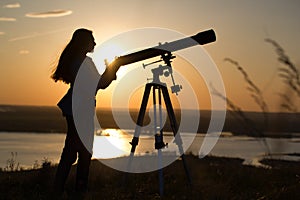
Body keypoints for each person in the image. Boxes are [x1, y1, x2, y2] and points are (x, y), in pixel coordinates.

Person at [51, 28, 118, 194]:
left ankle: (61, 190)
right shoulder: (82, 62)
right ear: (84, 42)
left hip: (78, 109)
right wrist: (112, 70)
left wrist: (111, 71)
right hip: (78, 109)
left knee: (74, 152)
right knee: (80, 153)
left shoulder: (81, 61)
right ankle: (73, 191)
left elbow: (97, 84)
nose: (95, 43)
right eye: (92, 40)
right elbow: (98, 84)